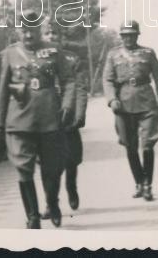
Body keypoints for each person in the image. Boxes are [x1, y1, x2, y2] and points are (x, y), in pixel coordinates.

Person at [0, 9, 76, 229]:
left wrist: (67, 104)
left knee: (52, 168)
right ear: (18, 31)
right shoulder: (10, 53)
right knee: (23, 168)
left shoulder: (54, 50)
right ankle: (32, 216)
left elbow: (68, 81)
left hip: (49, 118)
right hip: (20, 119)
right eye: (24, 31)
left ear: (39, 29)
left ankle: (52, 203)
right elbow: (3, 87)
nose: (28, 35)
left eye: (32, 30)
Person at [102, 20, 158, 203]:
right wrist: (112, 99)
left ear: (137, 35)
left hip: (147, 102)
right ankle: (139, 182)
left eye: (131, 35)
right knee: (129, 145)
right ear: (121, 36)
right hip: (123, 104)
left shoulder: (148, 53)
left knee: (148, 144)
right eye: (125, 35)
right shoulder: (113, 54)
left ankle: (148, 185)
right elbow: (107, 80)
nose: (128, 39)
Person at [40, 19, 88, 218]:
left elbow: (80, 88)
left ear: (61, 37)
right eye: (48, 33)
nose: (51, 37)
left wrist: (80, 114)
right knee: (47, 163)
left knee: (71, 159)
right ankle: (51, 204)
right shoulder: (36, 57)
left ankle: (71, 186)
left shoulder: (71, 58)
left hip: (67, 116)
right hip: (45, 116)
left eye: (55, 34)